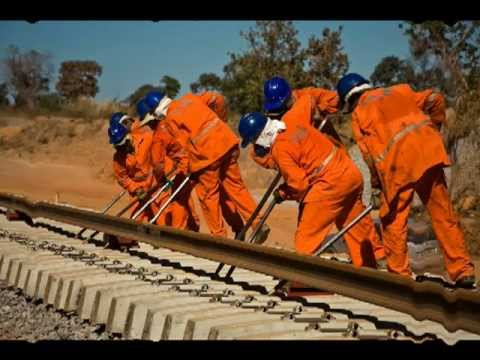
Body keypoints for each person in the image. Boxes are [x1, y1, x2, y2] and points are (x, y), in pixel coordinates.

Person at [336, 73, 476, 288]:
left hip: (399, 164)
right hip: (429, 153)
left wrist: (377, 184)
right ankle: (462, 271)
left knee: (392, 220)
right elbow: (435, 99)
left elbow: (368, 154)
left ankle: (399, 277)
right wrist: (434, 129)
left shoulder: (360, 113)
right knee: (443, 214)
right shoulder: (401, 90)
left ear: (349, 100)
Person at [238, 111, 385, 268]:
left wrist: (283, 192)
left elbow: (299, 185)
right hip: (350, 175)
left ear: (259, 137)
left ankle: (303, 281)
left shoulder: (280, 149)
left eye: (254, 141)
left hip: (330, 184)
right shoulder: (293, 124)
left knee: (306, 239)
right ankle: (368, 271)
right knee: (356, 230)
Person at [143, 91, 270, 243]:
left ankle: (220, 239)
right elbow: (217, 98)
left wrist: (191, 168)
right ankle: (258, 222)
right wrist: (221, 121)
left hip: (207, 157)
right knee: (236, 187)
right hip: (227, 142)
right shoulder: (190, 97)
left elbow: (184, 146)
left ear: (156, 111)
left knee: (208, 197)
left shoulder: (170, 120)